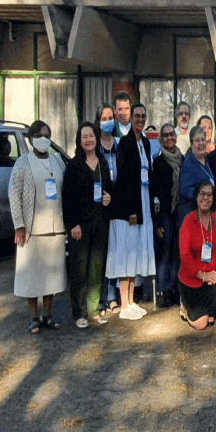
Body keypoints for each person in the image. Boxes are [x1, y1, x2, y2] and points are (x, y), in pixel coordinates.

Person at [9, 120, 68, 333]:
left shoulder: (57, 161)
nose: (45, 139)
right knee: (32, 277)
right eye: (41, 135)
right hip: (32, 230)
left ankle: (48, 316)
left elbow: (67, 190)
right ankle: (34, 318)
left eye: (48, 135)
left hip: (55, 228)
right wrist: (19, 225)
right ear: (32, 138)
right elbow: (14, 194)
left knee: (51, 277)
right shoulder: (23, 163)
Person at [106, 103, 156, 321]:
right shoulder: (125, 144)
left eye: (143, 116)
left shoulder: (144, 141)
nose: (140, 120)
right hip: (128, 208)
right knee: (125, 254)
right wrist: (132, 210)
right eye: (136, 116)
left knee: (135, 253)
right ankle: (124, 303)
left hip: (143, 202)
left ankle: (132, 301)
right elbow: (125, 179)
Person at [63, 122, 113, 328]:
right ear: (79, 140)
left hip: (100, 223)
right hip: (80, 227)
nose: (89, 140)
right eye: (84, 137)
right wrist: (72, 224)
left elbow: (109, 189)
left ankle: (93, 310)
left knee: (96, 269)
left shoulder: (102, 163)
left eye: (91, 136)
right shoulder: (73, 166)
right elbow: (67, 198)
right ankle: (79, 313)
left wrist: (110, 198)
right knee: (79, 270)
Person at [178, 180, 216, 330]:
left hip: (213, 277)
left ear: (213, 198)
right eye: (202, 194)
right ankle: (185, 306)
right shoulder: (188, 221)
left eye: (209, 194)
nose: (205, 198)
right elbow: (185, 255)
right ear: (196, 196)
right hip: (192, 279)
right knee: (201, 325)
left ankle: (207, 310)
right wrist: (201, 275)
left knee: (212, 319)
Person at [153, 123, 183, 307]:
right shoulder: (158, 162)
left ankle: (173, 289)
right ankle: (162, 289)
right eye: (166, 135)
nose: (170, 138)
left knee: (176, 253)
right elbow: (154, 194)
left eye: (172, 134)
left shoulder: (183, 159)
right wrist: (157, 222)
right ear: (161, 139)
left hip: (179, 213)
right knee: (164, 252)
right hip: (164, 213)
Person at [96, 103, 121, 314]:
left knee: (114, 252)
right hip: (99, 209)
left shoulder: (120, 144)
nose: (108, 121)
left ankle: (112, 295)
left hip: (117, 207)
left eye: (110, 117)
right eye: (104, 118)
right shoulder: (93, 146)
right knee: (100, 254)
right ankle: (99, 298)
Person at [177, 126, 216, 224]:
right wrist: (203, 196)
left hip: (204, 214)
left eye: (203, 140)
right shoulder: (189, 164)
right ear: (191, 143)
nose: (201, 143)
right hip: (191, 216)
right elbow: (184, 190)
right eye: (197, 141)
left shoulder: (206, 160)